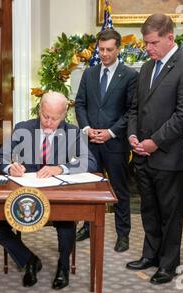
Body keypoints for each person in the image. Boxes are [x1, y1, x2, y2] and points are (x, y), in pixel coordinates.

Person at [0, 92, 97, 290]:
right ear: (40, 110)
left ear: (64, 116)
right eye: (45, 116)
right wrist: (9, 167)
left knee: (67, 224)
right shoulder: (24, 128)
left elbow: (89, 162)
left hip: (58, 197)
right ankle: (29, 260)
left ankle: (63, 267)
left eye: (54, 119)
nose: (48, 123)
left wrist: (61, 168)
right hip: (26, 197)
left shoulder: (72, 132)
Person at [126, 14, 183, 284]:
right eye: (146, 43)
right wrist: (133, 135)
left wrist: (155, 142)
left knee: (170, 215)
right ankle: (151, 254)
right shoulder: (147, 67)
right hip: (142, 154)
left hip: (168, 157)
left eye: (153, 43)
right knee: (149, 209)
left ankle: (168, 265)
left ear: (170, 37)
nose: (148, 48)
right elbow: (136, 108)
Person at [74, 29, 138, 252]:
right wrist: (87, 128)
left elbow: (131, 111)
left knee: (120, 190)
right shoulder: (89, 74)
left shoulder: (130, 76)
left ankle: (123, 234)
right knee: (89, 187)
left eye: (109, 50)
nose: (104, 54)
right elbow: (80, 104)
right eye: (101, 49)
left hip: (115, 143)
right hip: (90, 143)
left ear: (118, 49)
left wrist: (110, 132)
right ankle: (87, 227)